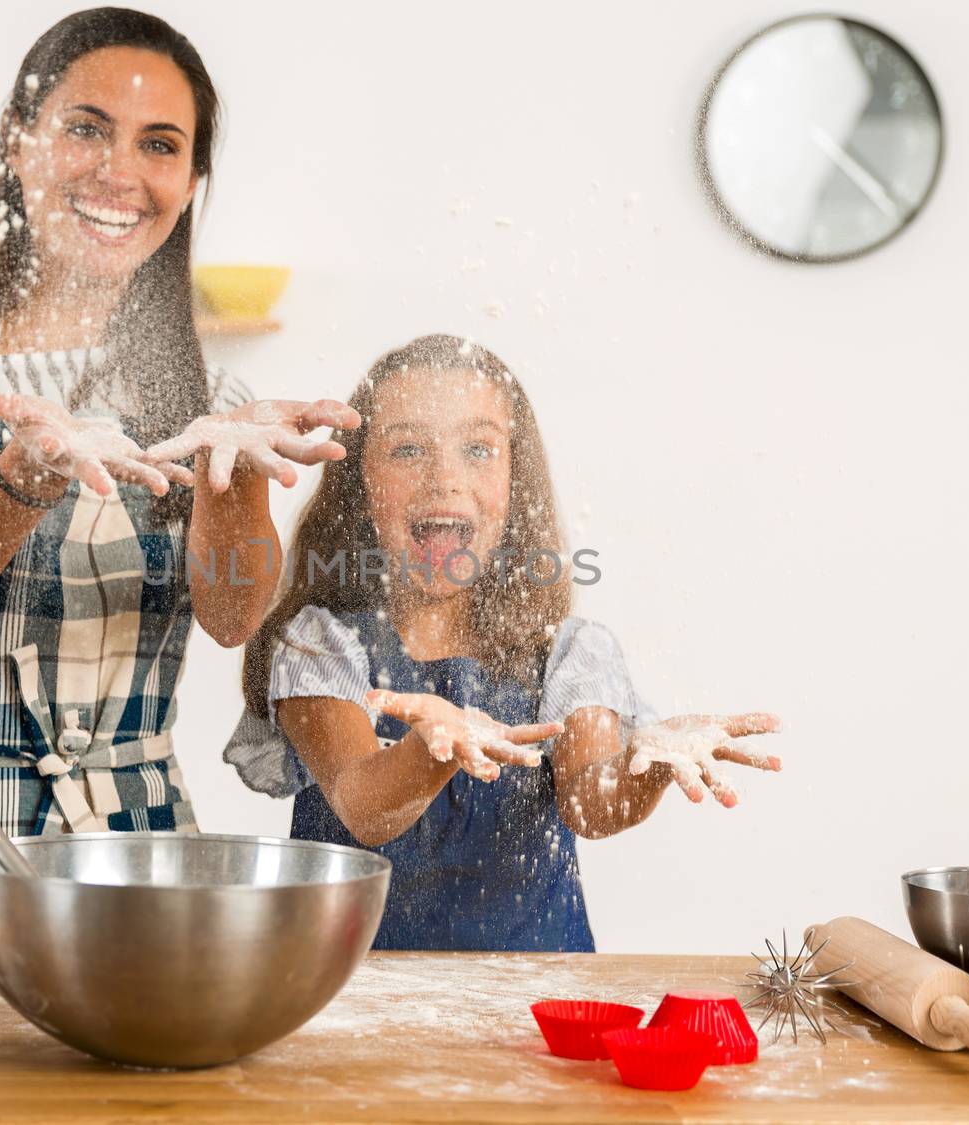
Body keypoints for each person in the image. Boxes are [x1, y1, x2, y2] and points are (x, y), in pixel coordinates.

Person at [0, 7, 356, 943]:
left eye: (160, 145)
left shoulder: (203, 397)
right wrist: (21, 477)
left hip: (137, 857)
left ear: (191, 180)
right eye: (86, 127)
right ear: (17, 141)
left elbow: (232, 615)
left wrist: (236, 479)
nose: (121, 172)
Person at [224, 335, 782, 951]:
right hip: (347, 991)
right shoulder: (322, 644)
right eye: (407, 448)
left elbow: (592, 803)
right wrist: (437, 746)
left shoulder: (571, 654)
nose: (446, 478)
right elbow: (366, 805)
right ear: (359, 481)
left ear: (514, 483)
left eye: (478, 450)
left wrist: (647, 763)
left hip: (536, 1005)